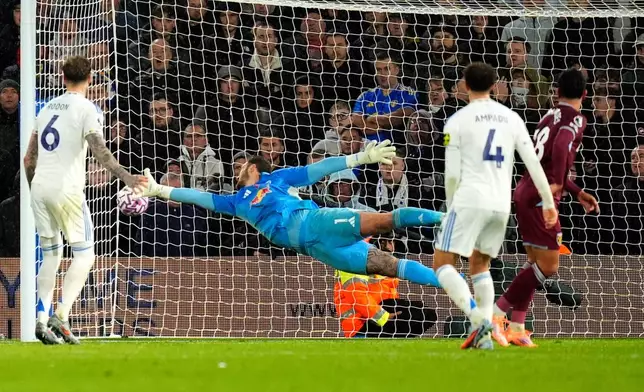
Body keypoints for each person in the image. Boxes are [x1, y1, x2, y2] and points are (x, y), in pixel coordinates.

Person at [139, 140, 447, 304]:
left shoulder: (277, 178)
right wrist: (160, 190)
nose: (237, 169)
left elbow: (319, 169)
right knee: (386, 265)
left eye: (242, 165)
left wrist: (358, 159)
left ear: (254, 169)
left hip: (317, 222)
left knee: (383, 223)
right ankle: (457, 287)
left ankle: (443, 219)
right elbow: (197, 197)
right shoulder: (235, 202)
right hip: (317, 249)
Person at [432, 62, 557, 350]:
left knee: (442, 263)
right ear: (494, 84)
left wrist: (452, 206)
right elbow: (532, 163)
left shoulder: (457, 120)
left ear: (465, 85)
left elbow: (451, 174)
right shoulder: (511, 118)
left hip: (468, 199)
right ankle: (486, 336)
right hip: (501, 204)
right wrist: (548, 202)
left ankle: (479, 319)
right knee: (480, 264)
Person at [23, 56, 147, 345]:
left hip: (39, 187)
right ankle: (62, 315)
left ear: (63, 77)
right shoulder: (87, 108)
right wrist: (127, 177)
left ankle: (41, 320)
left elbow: (29, 159)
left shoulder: (46, 109)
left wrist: (35, 189)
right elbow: (100, 151)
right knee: (85, 255)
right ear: (90, 78)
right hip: (67, 189)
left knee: (51, 255)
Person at [491, 68, 600, 348]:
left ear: (557, 92)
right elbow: (562, 147)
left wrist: (576, 192)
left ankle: (517, 327)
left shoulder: (547, 117)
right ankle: (496, 314)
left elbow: (542, 158)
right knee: (549, 266)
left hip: (526, 190)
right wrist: (560, 186)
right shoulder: (576, 118)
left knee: (534, 263)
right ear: (585, 95)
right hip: (542, 198)